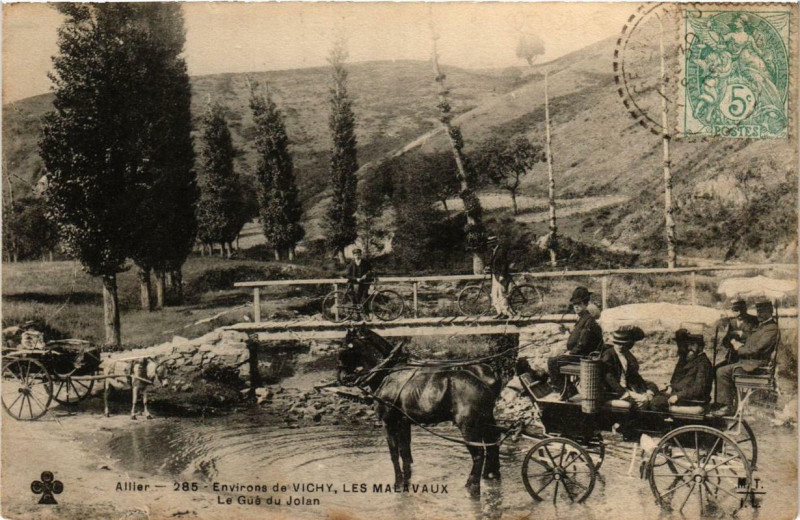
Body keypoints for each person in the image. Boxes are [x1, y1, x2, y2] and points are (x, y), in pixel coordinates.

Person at [712, 300, 780, 417]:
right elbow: (752, 341)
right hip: (749, 361)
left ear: (770, 312)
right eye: (758, 311)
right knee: (721, 368)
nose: (759, 314)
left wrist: (739, 348)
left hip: (755, 365)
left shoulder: (771, 328)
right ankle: (726, 402)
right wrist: (739, 341)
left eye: (762, 311)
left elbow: (756, 349)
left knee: (721, 372)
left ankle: (727, 407)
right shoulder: (763, 326)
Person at [547, 286, 604, 394]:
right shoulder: (583, 318)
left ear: (586, 304)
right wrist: (568, 330)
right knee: (557, 358)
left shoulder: (588, 321)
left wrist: (571, 353)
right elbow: (580, 336)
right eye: (574, 304)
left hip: (583, 356)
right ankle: (567, 387)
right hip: (580, 354)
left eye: (579, 304)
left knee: (552, 362)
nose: (576, 307)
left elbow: (583, 343)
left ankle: (563, 390)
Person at [648, 329, 713, 411]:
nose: (689, 347)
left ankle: (658, 424)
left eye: (693, 345)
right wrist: (670, 387)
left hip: (691, 400)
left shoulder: (703, 364)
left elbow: (699, 389)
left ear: (701, 347)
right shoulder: (694, 360)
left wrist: (678, 396)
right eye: (689, 344)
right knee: (654, 393)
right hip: (683, 396)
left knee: (655, 402)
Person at [600, 325, 657, 407]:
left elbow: (634, 374)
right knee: (644, 400)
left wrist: (646, 390)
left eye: (623, 344)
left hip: (627, 387)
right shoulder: (608, 355)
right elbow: (609, 377)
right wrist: (623, 393)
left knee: (649, 397)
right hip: (613, 390)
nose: (620, 346)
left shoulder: (627, 354)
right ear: (614, 343)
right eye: (618, 343)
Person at [721, 299, 759, 364]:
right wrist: (732, 342)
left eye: (742, 309)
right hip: (733, 357)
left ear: (746, 309)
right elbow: (726, 340)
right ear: (732, 311)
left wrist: (742, 334)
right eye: (736, 310)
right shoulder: (732, 322)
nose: (739, 313)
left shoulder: (754, 320)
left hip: (748, 358)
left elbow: (757, 337)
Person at [488, 236, 513, 318]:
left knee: (502, 294)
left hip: (500, 276)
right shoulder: (493, 251)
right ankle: (499, 312)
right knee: (494, 294)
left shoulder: (501, 251)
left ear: (496, 242)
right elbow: (493, 263)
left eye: (492, 243)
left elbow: (504, 264)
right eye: (490, 243)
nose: (491, 244)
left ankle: (505, 313)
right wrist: (488, 268)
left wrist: (502, 275)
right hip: (495, 275)